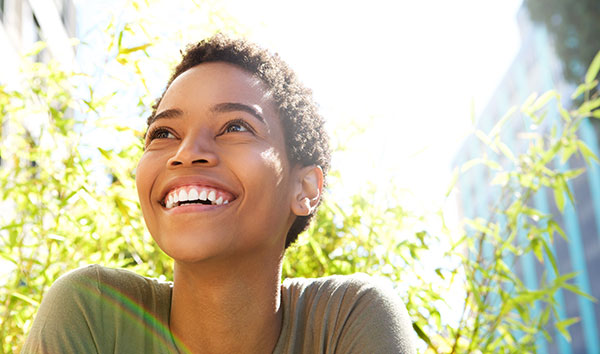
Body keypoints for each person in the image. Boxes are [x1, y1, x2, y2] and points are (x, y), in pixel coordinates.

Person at [22, 34, 416, 354]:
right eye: (164, 133)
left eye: (235, 127)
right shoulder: (92, 312)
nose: (187, 153)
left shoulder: (348, 319)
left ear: (305, 188)